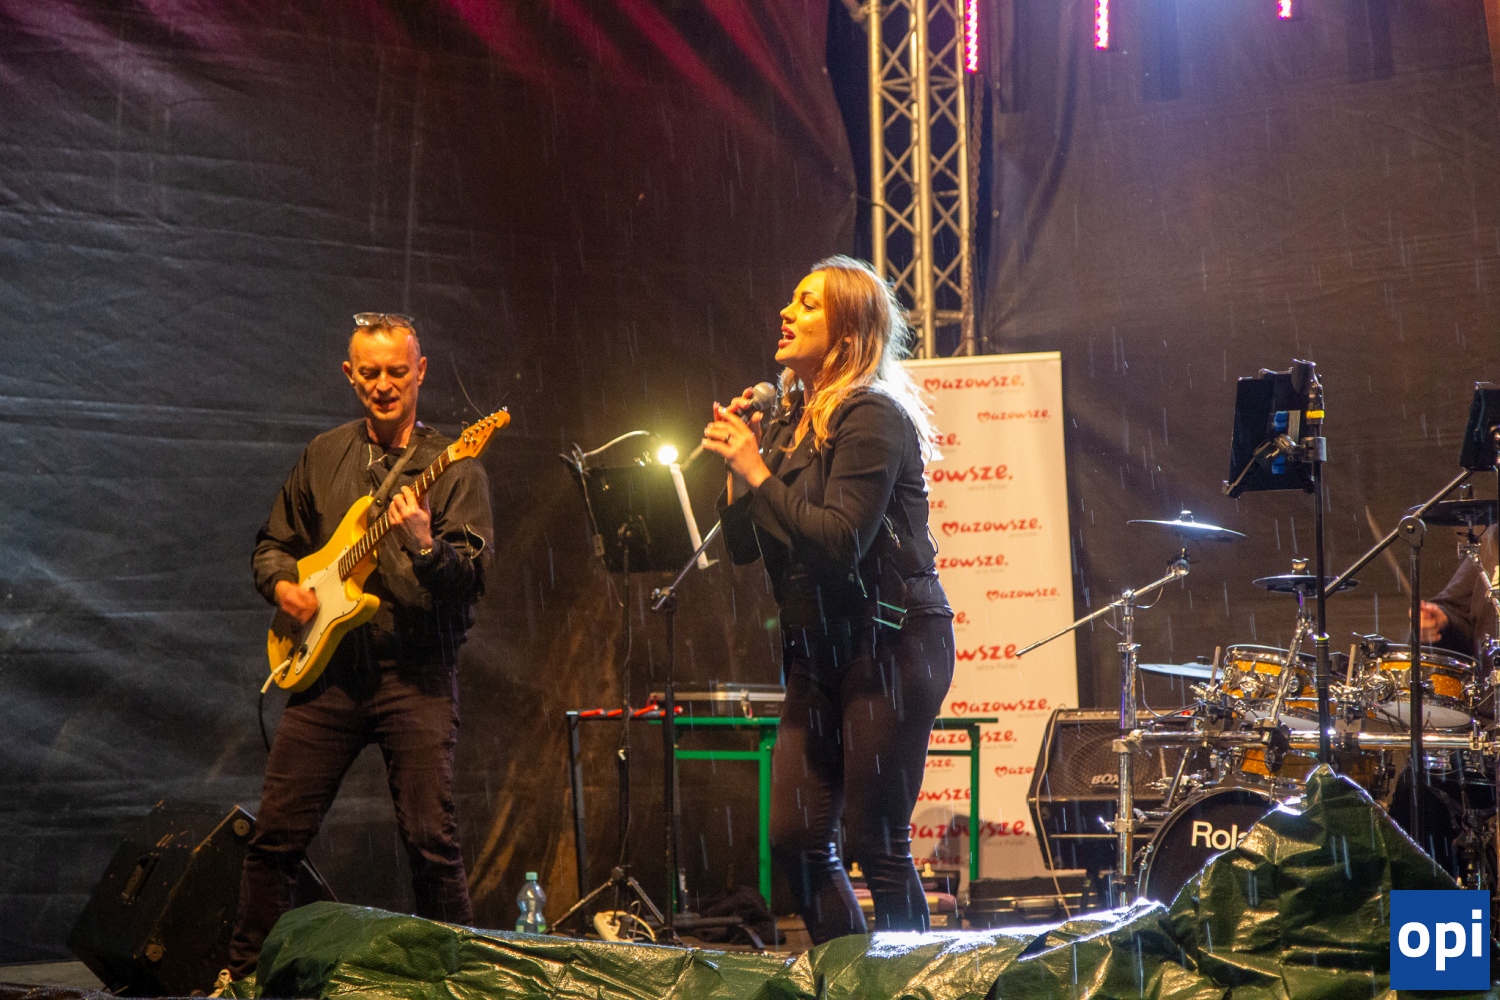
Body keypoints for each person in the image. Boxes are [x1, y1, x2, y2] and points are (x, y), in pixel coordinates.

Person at [228, 313, 493, 976]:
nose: (384, 384)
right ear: (349, 374)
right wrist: (284, 586)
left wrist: (425, 546)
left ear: (420, 371)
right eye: (369, 372)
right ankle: (245, 976)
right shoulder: (324, 455)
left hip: (416, 674)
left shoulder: (456, 467)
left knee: (431, 841)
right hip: (329, 673)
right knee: (274, 837)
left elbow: (470, 582)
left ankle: (457, 980)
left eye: (397, 371)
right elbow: (272, 544)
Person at [701, 256, 955, 943]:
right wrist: (743, 469)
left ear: (847, 333)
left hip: (890, 641)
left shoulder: (871, 415)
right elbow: (745, 547)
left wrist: (757, 471)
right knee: (795, 838)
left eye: (808, 304)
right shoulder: (791, 424)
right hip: (820, 648)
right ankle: (850, 977)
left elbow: (840, 540)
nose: (787, 312)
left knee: (877, 841)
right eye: (791, 300)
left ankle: (910, 986)